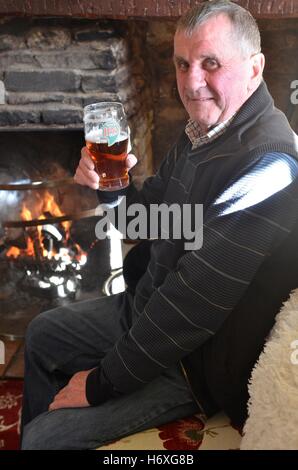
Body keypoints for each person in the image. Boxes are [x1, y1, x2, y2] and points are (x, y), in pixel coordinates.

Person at [21, 0, 298, 450]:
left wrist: (97, 385)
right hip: (144, 308)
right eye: (183, 63)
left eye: (211, 63)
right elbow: (144, 221)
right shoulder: (204, 133)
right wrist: (108, 186)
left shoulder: (271, 166)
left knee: (44, 439)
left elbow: (194, 302)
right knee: (41, 334)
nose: (191, 83)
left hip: (191, 358)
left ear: (255, 68)